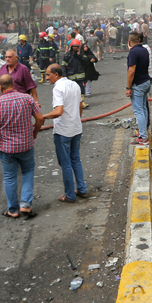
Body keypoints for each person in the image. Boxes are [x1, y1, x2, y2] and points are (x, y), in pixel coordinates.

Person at [0, 74, 44, 219]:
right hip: (26, 145)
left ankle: (13, 210)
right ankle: (25, 204)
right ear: (14, 84)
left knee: (10, 178)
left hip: (7, 149)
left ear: (0, 87)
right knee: (28, 172)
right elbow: (40, 118)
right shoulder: (28, 99)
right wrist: (34, 132)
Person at [42, 63, 87, 203]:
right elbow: (80, 106)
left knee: (66, 163)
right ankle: (82, 189)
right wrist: (76, 120)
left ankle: (70, 195)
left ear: (56, 75)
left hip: (63, 131)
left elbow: (58, 111)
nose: (46, 78)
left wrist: (43, 117)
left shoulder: (58, 88)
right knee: (75, 159)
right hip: (76, 128)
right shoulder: (74, 85)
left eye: (48, 75)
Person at [126, 32, 152, 146]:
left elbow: (131, 71)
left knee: (139, 111)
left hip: (138, 84)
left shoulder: (133, 52)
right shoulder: (144, 50)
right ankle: (143, 133)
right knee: (144, 109)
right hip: (146, 82)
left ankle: (143, 138)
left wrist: (128, 87)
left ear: (129, 41)